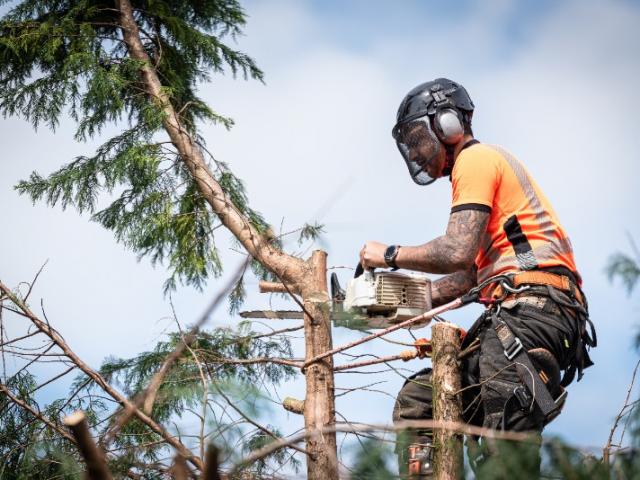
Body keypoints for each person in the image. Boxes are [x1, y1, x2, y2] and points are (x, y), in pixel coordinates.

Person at [359, 78, 596, 477]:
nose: (416, 149)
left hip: (536, 311)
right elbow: (464, 278)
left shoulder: (477, 160)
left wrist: (389, 255)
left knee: (505, 433)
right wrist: (384, 301)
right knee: (420, 402)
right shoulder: (478, 189)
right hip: (519, 312)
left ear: (448, 124)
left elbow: (455, 250)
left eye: (418, 136)